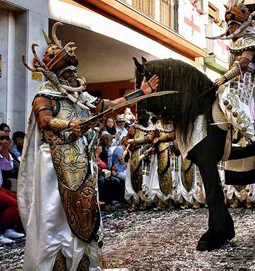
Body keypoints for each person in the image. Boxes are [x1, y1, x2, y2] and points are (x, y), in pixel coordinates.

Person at [17, 22, 159, 270]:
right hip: (54, 164)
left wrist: (140, 93)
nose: (73, 75)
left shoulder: (80, 96)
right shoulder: (45, 95)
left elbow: (109, 105)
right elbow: (45, 120)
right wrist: (70, 124)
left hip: (81, 163)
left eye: (73, 70)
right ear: (57, 75)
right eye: (68, 71)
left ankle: (82, 262)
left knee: (84, 212)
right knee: (55, 217)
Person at [209, 0, 255, 165]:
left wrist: (224, 78)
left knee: (228, 96)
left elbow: (243, 64)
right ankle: (234, 133)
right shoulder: (238, 42)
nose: (230, 28)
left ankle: (249, 133)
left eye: (232, 24)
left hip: (247, 81)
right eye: (229, 24)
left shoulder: (250, 40)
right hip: (237, 79)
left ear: (241, 24)